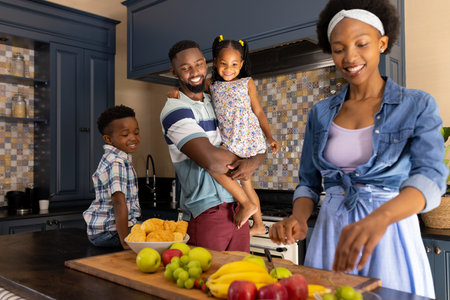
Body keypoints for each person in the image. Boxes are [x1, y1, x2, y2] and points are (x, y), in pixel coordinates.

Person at [269, 0, 448, 297]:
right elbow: (309, 183)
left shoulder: (416, 105)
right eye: (338, 49)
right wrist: (298, 219)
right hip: (331, 236)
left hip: (389, 233)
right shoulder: (320, 113)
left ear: (382, 43)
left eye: (361, 43)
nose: (350, 57)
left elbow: (431, 177)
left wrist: (380, 218)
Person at [168, 36, 280, 235]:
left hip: (245, 137)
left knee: (216, 168)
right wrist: (176, 91)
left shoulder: (246, 82)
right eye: (223, 63)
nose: (229, 68)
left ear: (242, 64)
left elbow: (259, 111)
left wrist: (269, 137)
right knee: (244, 181)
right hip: (230, 140)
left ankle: (249, 208)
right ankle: (259, 223)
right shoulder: (212, 85)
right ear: (215, 63)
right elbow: (190, 86)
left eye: (234, 64)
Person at [83, 105, 141, 249]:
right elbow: (118, 203)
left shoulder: (117, 158)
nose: (133, 138)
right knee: (157, 236)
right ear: (108, 139)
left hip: (107, 232)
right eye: (125, 134)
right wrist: (125, 241)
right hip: (108, 233)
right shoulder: (117, 162)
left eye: (136, 132)